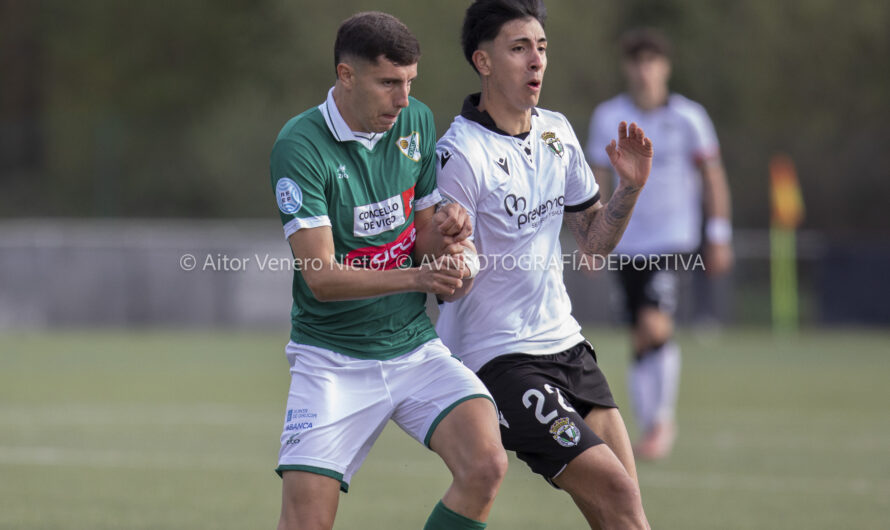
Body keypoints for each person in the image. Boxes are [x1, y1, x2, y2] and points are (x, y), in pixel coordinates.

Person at [269, 12, 507, 530]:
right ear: (346, 75)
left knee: (486, 464)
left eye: (409, 83)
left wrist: (448, 237)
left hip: (413, 348)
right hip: (331, 361)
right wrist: (420, 279)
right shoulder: (300, 146)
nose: (403, 100)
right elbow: (322, 278)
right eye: (388, 83)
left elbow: (422, 234)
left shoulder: (414, 122)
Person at [435, 1, 652, 527]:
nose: (536, 61)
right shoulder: (459, 153)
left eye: (542, 48)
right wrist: (456, 253)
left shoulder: (556, 133)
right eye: (519, 48)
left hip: (568, 346)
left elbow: (594, 245)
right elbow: (447, 283)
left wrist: (630, 188)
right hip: (500, 358)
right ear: (483, 62)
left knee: (625, 510)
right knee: (618, 494)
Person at [586, 28, 733, 460]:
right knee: (638, 335)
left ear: (665, 67)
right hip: (626, 242)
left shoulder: (690, 117)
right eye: (637, 61)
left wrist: (719, 233)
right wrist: (593, 238)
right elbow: (596, 179)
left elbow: (712, 177)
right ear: (627, 67)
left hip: (673, 240)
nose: (644, 70)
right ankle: (649, 423)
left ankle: (662, 421)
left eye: (652, 61)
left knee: (654, 324)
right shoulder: (607, 115)